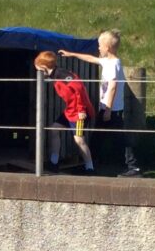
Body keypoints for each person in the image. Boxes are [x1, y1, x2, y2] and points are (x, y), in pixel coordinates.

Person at [58, 30, 140, 177]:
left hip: (112, 110)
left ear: (107, 48)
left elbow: (113, 87)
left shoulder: (113, 64)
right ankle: (90, 165)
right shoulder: (107, 61)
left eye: (100, 45)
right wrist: (72, 54)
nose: (98, 48)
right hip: (106, 108)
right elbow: (91, 58)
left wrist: (108, 109)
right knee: (98, 137)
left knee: (119, 138)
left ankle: (133, 167)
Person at [34, 51, 96, 174]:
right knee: (54, 129)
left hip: (79, 112)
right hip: (70, 111)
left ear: (44, 67)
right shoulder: (54, 75)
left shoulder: (62, 75)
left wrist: (81, 110)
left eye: (39, 70)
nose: (38, 73)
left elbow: (79, 88)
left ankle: (90, 168)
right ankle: (54, 162)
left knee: (79, 140)